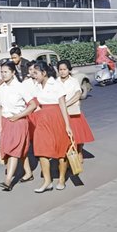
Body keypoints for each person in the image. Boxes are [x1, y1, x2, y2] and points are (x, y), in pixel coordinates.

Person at [31, 61, 72, 193]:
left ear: (44, 73)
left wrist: (67, 125)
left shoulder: (56, 85)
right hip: (43, 120)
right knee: (41, 149)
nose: (33, 75)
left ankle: (61, 179)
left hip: (57, 119)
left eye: (36, 73)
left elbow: (63, 106)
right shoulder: (37, 86)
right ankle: (47, 181)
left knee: (61, 151)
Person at [0, 61, 37, 191]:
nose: (3, 74)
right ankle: (28, 173)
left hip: (19, 122)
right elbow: (0, 108)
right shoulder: (1, 88)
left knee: (14, 150)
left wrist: (19, 115)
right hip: (7, 122)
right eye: (2, 72)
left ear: (13, 72)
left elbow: (32, 105)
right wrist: (1, 127)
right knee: (19, 149)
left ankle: (8, 181)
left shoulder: (20, 87)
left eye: (6, 72)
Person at [57, 60, 94, 162]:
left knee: (78, 135)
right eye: (60, 70)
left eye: (65, 69)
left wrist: (66, 104)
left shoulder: (73, 81)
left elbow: (78, 94)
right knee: (65, 136)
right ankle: (67, 156)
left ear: (69, 70)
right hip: (61, 112)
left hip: (73, 112)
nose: (62, 72)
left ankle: (79, 151)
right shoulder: (56, 82)